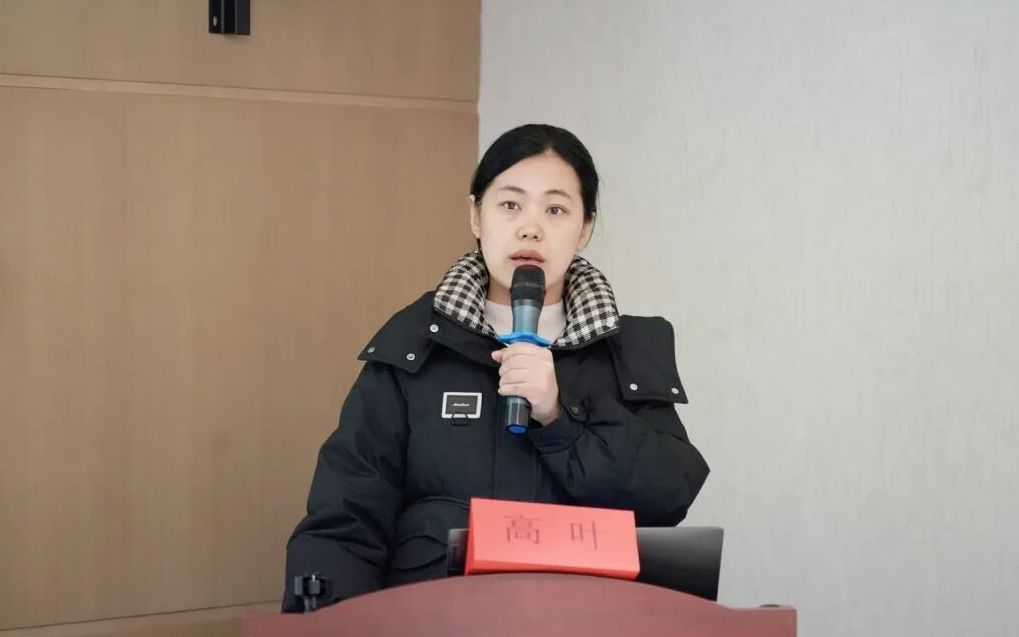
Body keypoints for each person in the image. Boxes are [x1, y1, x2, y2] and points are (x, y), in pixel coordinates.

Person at [281, 124, 709, 611]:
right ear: (476, 215)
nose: (531, 228)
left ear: (585, 228)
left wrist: (560, 420)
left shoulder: (626, 351)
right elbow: (346, 522)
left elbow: (666, 497)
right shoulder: (414, 346)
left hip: (583, 621)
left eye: (555, 210)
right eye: (510, 205)